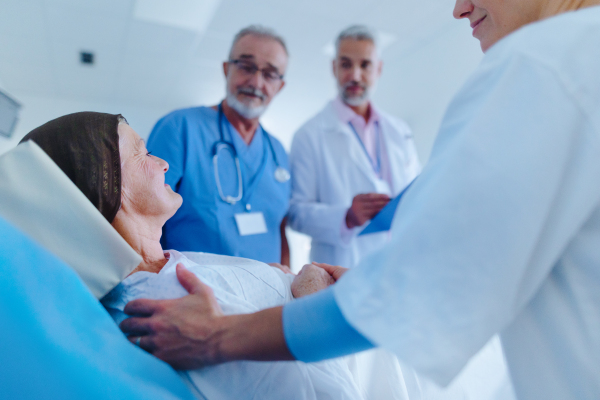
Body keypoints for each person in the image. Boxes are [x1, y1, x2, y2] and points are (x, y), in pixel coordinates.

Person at [121, 1, 600, 399]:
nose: (458, 8)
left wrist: (217, 336)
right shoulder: (571, 59)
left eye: (271, 72)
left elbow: (424, 283)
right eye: (247, 66)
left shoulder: (541, 65)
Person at [20, 112, 363, 399]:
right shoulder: (166, 303)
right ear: (105, 183)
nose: (165, 163)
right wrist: (312, 302)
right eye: (142, 153)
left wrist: (268, 277)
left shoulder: (164, 268)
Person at [146, 25, 291, 266]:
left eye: (270, 74)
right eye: (246, 66)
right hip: (191, 292)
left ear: (280, 86)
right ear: (226, 69)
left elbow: (281, 228)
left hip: (269, 296)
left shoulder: (278, 152)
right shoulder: (179, 128)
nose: (256, 82)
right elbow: (144, 216)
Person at [288, 25, 420, 269]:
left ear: (378, 69)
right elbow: (296, 214)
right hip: (341, 268)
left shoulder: (399, 131)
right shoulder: (308, 135)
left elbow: (415, 195)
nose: (355, 75)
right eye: (346, 64)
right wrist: (346, 217)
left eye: (365, 65)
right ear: (334, 68)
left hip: (397, 264)